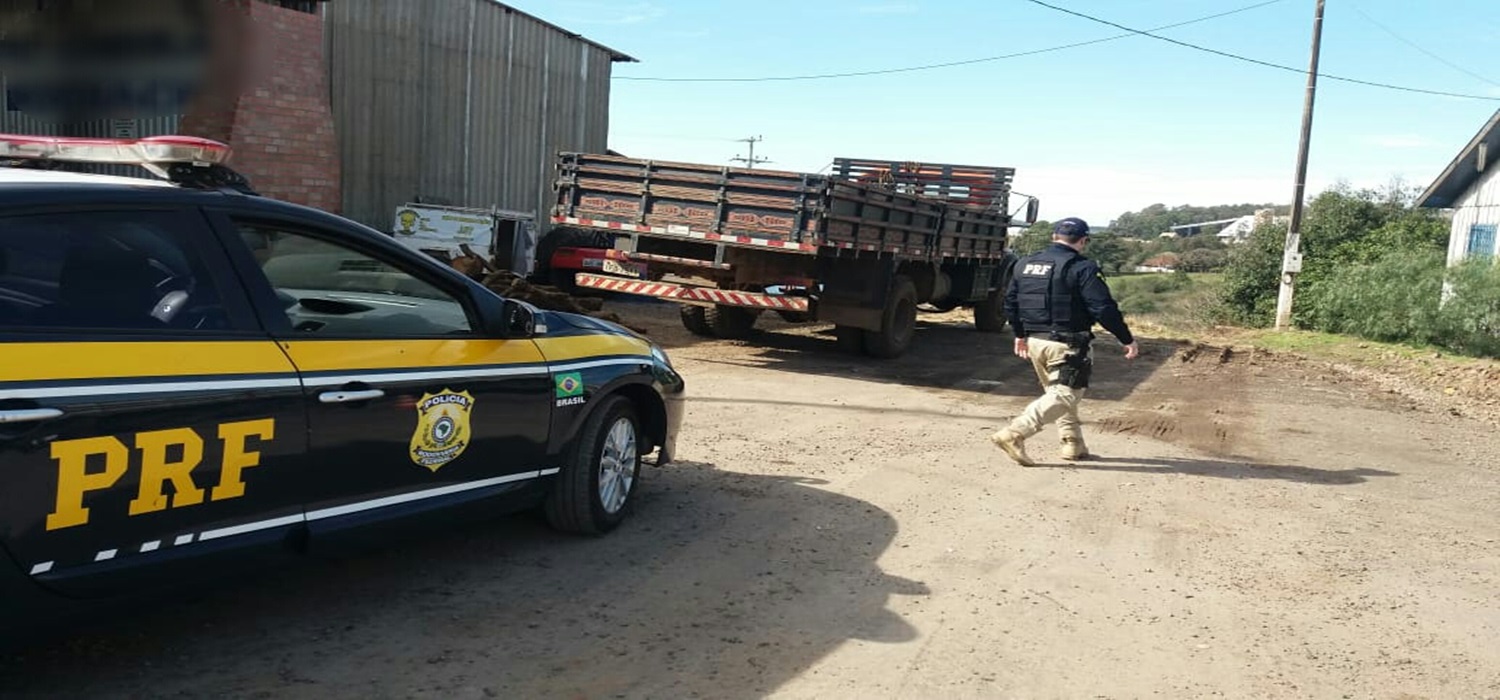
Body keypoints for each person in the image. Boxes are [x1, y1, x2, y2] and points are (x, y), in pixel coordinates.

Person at [991, 217, 1139, 466]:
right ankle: (1015, 433)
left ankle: (1073, 444)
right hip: (1068, 343)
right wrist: (1126, 338)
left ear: (1053, 237)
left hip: (1036, 341)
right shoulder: (1083, 267)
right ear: (1083, 240)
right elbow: (1102, 307)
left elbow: (1010, 302)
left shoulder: (1024, 264)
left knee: (1057, 392)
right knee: (1066, 393)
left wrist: (1019, 335)